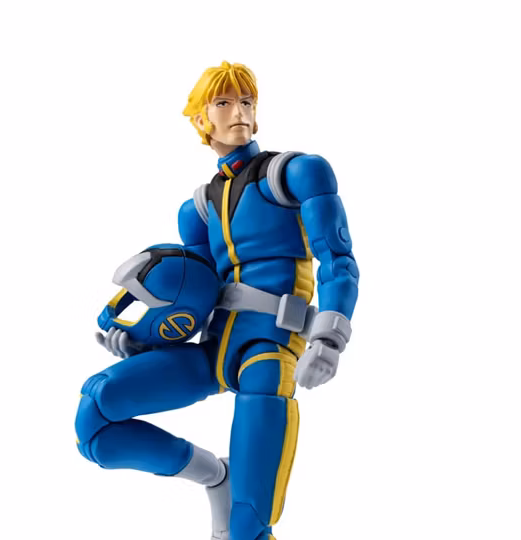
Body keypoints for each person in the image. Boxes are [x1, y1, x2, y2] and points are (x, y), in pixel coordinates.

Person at [76, 61, 359, 540]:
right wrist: (146, 339)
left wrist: (329, 338)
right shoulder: (198, 208)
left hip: (269, 350)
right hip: (213, 351)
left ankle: (242, 505)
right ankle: (215, 476)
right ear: (201, 119)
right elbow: (196, 297)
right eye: (224, 103)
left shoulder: (296, 173)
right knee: (96, 415)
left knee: (247, 526)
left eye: (247, 101)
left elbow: (339, 260)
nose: (239, 112)